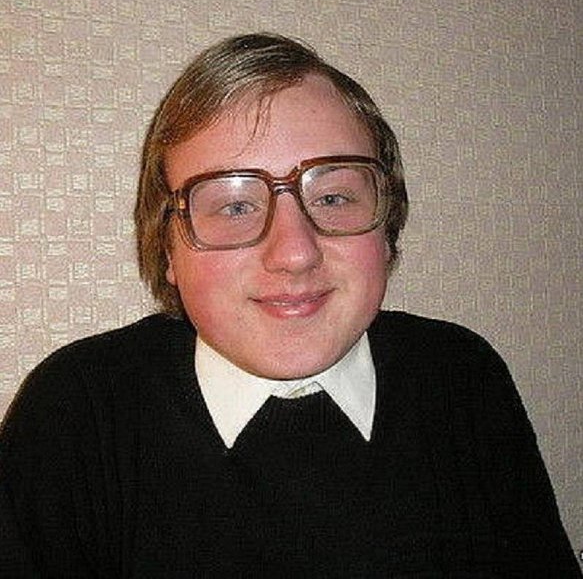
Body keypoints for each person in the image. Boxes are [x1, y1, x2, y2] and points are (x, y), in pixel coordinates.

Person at [0, 33, 580, 578]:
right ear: (168, 248)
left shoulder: (461, 376)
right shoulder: (77, 412)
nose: (295, 253)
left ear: (388, 226)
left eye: (333, 197)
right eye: (235, 206)